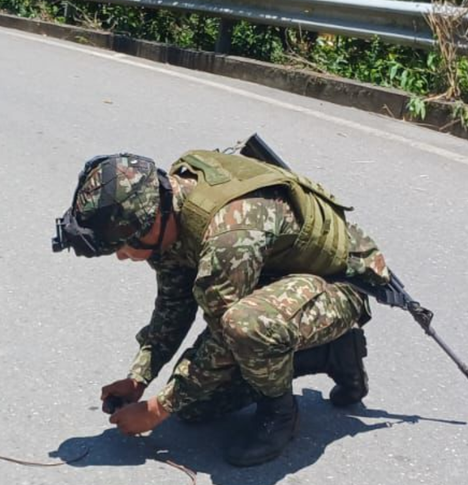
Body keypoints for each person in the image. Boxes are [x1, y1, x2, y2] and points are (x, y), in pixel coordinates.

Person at [52, 147, 391, 467]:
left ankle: (280, 413)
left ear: (151, 222)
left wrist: (158, 407)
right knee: (196, 407)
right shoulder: (166, 211)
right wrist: (139, 378)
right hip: (276, 279)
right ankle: (329, 353)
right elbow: (173, 307)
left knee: (245, 325)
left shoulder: (227, 236)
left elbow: (223, 337)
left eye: (122, 247)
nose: (123, 256)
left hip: (339, 285)